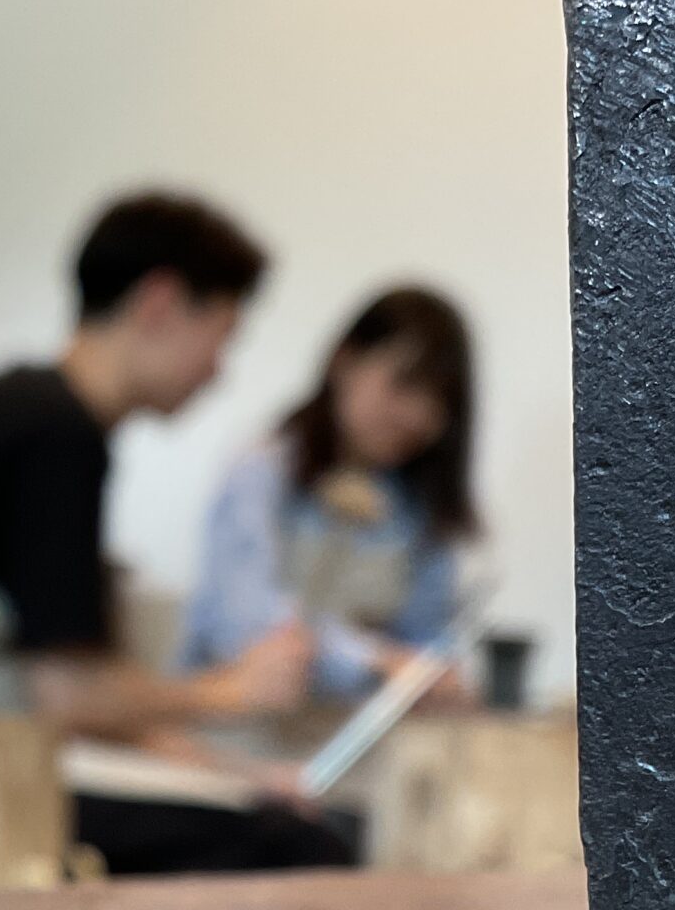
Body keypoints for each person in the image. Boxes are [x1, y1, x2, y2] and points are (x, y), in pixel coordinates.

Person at [0, 192, 350, 872]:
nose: (219, 370)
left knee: (276, 820)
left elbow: (81, 701)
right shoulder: (56, 433)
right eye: (223, 335)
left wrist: (244, 775)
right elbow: (70, 698)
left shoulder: (18, 406)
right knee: (299, 846)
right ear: (160, 303)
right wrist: (230, 691)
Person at [181, 285, 478, 701]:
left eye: (440, 399)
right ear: (345, 361)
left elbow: (427, 640)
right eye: (404, 385)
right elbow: (245, 623)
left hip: (358, 729)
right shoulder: (262, 471)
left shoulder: (418, 509)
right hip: (233, 720)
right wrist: (375, 660)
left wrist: (435, 676)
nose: (419, 415)